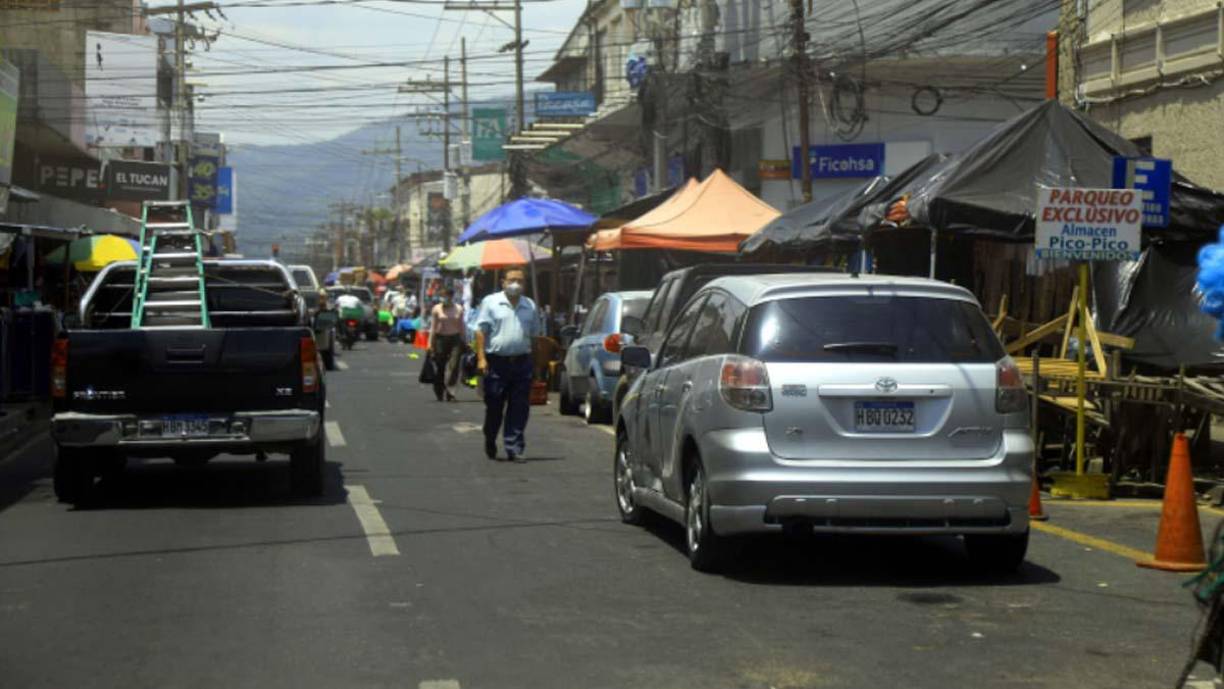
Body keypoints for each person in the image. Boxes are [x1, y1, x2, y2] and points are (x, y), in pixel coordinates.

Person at [474, 268, 541, 463]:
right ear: (503, 282)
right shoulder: (491, 302)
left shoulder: (530, 305)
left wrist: (536, 364)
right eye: (512, 280)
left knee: (519, 407)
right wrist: (481, 358)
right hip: (497, 362)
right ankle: (490, 437)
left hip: (522, 362)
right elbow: (480, 331)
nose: (516, 284)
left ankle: (514, 447)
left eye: (520, 281)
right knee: (494, 405)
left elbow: (535, 336)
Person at [428, 287, 465, 402]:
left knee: (454, 366)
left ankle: (450, 391)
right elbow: (433, 327)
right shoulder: (436, 309)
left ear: (452, 296)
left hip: (455, 339)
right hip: (440, 339)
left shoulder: (458, 308)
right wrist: (430, 343)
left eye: (447, 295)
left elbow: (462, 326)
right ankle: (439, 389)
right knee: (440, 366)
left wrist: (466, 340)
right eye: (443, 295)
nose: (445, 298)